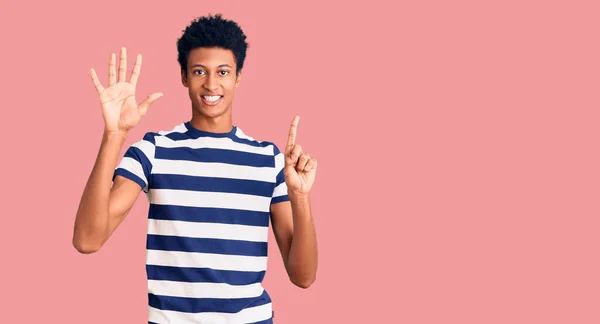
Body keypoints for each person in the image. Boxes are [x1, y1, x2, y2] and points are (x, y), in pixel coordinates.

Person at [72, 13, 318, 324]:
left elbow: (303, 277)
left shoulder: (269, 160)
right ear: (184, 77)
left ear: (238, 76)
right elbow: (87, 240)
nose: (211, 84)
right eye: (199, 71)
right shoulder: (154, 150)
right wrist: (114, 135)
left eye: (223, 72)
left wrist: (301, 197)